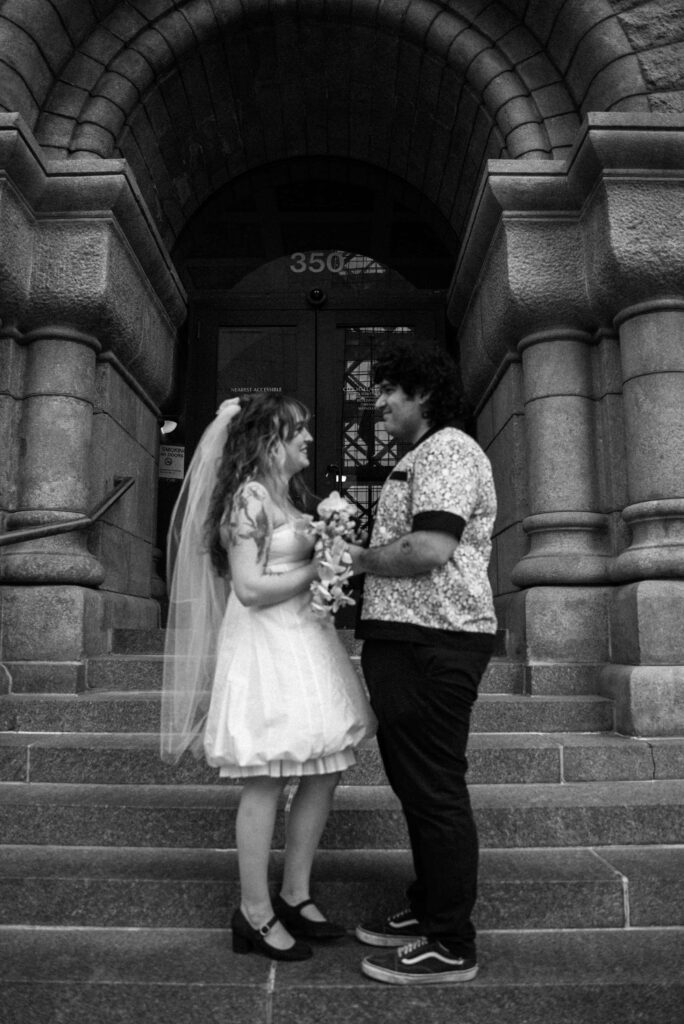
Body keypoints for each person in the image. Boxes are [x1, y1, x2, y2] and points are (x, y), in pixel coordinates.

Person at [161, 392, 375, 962]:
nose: (309, 438)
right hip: (267, 648)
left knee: (326, 769)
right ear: (266, 439)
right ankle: (253, 914)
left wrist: (328, 558)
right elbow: (251, 589)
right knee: (266, 778)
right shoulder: (248, 499)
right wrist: (318, 569)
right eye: (297, 430)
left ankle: (296, 895)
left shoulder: (287, 495)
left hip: (306, 643)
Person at [346, 337, 497, 985]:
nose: (376, 402)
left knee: (434, 789)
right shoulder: (423, 454)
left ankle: (450, 941)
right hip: (410, 640)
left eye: (388, 390)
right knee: (418, 785)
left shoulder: (449, 450)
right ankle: (429, 907)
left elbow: (432, 547)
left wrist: (351, 559)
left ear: (423, 394)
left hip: (435, 642)